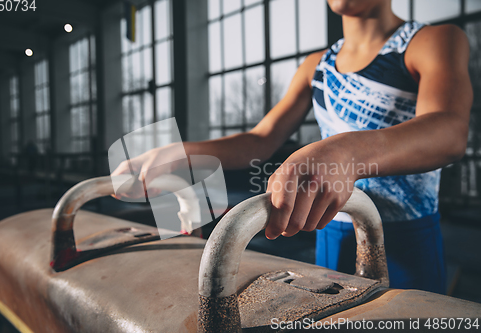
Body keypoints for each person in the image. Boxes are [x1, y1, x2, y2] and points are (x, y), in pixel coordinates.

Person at [112, 0, 472, 294]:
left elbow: (448, 130)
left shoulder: (432, 40)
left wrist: (347, 152)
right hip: (329, 232)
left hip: (406, 239)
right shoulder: (317, 65)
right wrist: (183, 151)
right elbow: (260, 140)